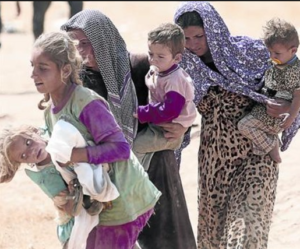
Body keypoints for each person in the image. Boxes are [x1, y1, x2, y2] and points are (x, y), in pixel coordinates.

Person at [61, 9, 197, 249]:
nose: (82, 51)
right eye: (77, 44)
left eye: (87, 42)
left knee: (166, 240)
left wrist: (181, 130)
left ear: (103, 39)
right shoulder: (77, 82)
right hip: (107, 178)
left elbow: (177, 103)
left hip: (154, 170)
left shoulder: (140, 66)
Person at [174, 2, 298, 248]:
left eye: (199, 36)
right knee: (215, 238)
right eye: (186, 38)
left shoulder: (251, 53)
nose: (193, 44)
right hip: (215, 163)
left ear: (214, 29)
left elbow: (293, 81)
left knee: (247, 232)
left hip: (257, 152)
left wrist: (285, 110)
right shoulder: (184, 68)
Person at [31, 30, 162, 249]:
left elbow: (120, 148)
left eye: (42, 68)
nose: (34, 75)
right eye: (32, 67)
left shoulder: (85, 102)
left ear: (64, 70)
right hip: (101, 204)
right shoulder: (50, 111)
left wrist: (74, 156)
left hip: (124, 199)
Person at [0, 122, 120, 249]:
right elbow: (68, 210)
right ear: (23, 162)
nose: (31, 152)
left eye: (28, 143)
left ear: (34, 132)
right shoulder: (46, 176)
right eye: (23, 156)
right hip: (75, 218)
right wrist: (74, 194)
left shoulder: (54, 132)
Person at [131, 22, 197, 170]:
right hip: (159, 125)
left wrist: (143, 112)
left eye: (160, 56)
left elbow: (170, 111)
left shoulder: (175, 81)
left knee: (137, 146)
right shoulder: (161, 70)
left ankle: (136, 182)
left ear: (177, 58)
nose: (153, 60)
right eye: (150, 54)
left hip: (168, 132)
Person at [238, 18, 300, 164]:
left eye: (277, 53)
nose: (272, 57)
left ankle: (271, 145)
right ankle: (266, 147)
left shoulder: (296, 70)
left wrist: (290, 117)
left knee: (244, 125)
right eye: (270, 52)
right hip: (265, 107)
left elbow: (298, 96)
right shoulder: (277, 62)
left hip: (276, 116)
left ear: (293, 51)